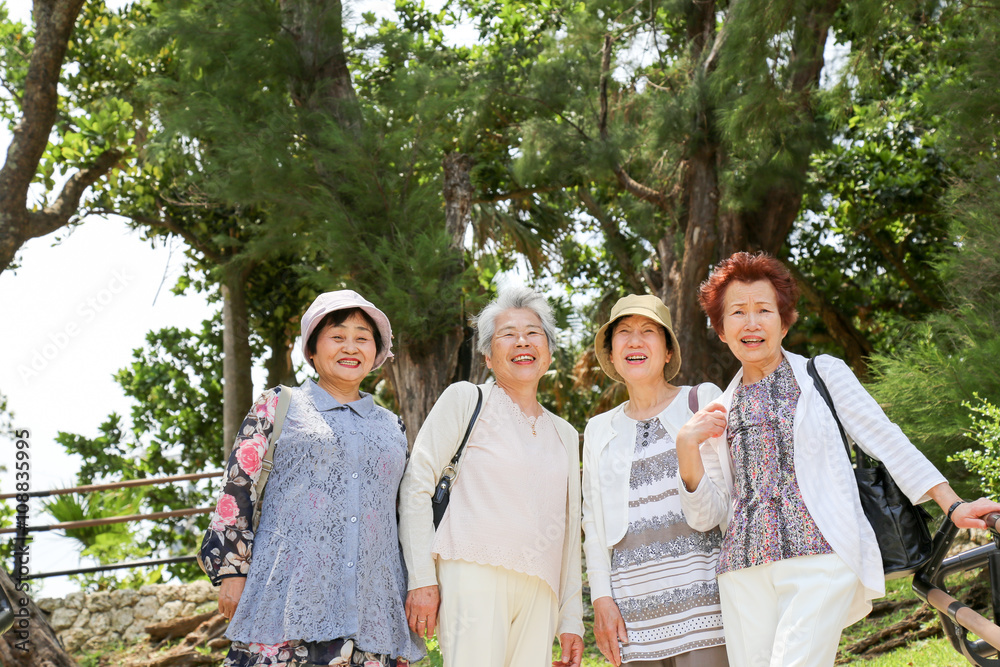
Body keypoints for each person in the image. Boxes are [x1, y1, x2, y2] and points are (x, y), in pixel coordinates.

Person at [675, 251, 1000, 667]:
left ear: (784, 320)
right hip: (742, 568)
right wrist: (688, 448)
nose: (751, 322)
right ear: (721, 329)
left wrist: (952, 504)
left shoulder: (821, 374)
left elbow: (888, 440)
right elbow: (708, 516)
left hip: (821, 555)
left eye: (764, 310)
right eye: (737, 312)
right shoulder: (720, 410)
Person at [199, 290, 424, 667]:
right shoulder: (278, 405)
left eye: (362, 338)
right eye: (337, 336)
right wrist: (231, 573)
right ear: (313, 350)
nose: (350, 347)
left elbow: (405, 515)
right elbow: (237, 490)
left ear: (376, 353)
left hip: (371, 614)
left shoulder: (392, 427)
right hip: (285, 606)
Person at [398, 285, 585, 667]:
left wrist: (571, 620)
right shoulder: (466, 399)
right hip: (472, 574)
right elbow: (417, 485)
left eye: (534, 333)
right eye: (508, 334)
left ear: (548, 352)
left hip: (541, 590)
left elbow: (569, 532)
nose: (523, 342)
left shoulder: (565, 433)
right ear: (487, 354)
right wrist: (421, 579)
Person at [583, 294, 729, 667]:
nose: (635, 340)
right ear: (612, 355)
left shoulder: (702, 400)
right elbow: (594, 526)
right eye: (624, 333)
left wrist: (686, 448)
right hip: (634, 621)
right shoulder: (599, 429)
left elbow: (721, 508)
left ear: (667, 351)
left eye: (648, 331)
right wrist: (601, 599)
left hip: (707, 611)